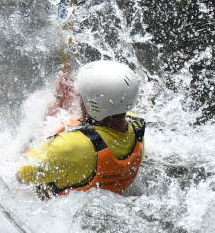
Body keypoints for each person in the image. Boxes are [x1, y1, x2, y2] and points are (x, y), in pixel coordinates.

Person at [17, 60, 145, 196]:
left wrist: (58, 104)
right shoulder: (136, 128)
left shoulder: (69, 147)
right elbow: (99, 120)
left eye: (80, 96)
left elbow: (18, 175)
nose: (77, 98)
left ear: (93, 105)